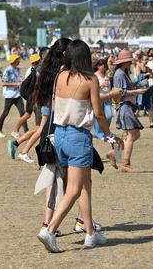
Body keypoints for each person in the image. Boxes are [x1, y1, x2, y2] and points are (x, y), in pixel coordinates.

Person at [36, 39, 117, 253]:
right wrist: (108, 135)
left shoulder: (60, 76)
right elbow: (98, 113)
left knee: (84, 184)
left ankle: (90, 233)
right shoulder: (90, 80)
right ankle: (50, 229)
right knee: (73, 189)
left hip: (59, 134)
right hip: (78, 136)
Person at [112, 48, 148, 172]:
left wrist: (137, 85)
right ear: (125, 62)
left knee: (134, 134)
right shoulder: (120, 74)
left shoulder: (122, 73)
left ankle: (114, 152)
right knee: (132, 134)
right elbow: (120, 92)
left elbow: (125, 89)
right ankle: (125, 164)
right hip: (124, 106)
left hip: (126, 106)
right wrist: (137, 91)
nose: (131, 63)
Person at [0, 54, 28, 138]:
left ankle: (26, 131)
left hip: (17, 95)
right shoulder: (8, 70)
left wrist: (22, 80)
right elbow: (3, 83)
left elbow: (19, 79)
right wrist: (16, 84)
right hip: (9, 96)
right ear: (13, 61)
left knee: (23, 113)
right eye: (17, 60)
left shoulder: (17, 69)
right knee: (5, 113)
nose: (19, 61)